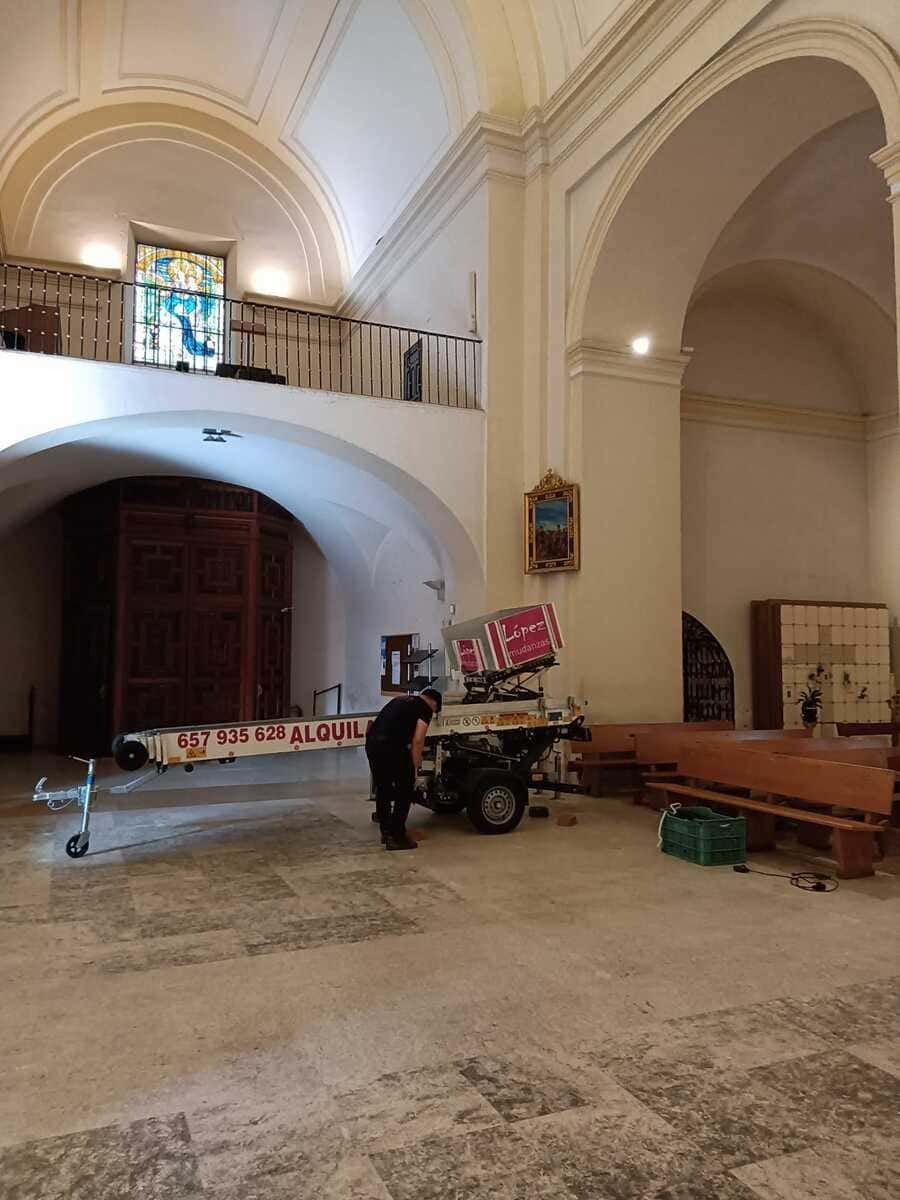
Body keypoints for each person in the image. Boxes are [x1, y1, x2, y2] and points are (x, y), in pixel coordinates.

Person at [365, 687, 442, 850]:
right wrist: (415, 767)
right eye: (435, 711)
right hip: (391, 748)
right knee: (405, 790)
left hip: (373, 744)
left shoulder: (400, 700)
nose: (433, 714)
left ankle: (386, 833)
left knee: (383, 788)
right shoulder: (425, 708)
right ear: (433, 703)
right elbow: (419, 739)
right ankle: (398, 836)